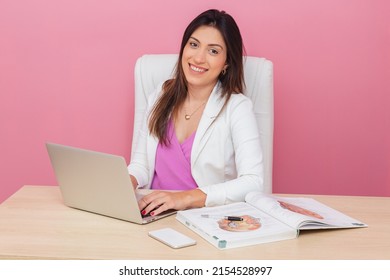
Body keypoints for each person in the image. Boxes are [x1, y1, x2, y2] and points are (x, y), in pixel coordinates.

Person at [128, 9, 263, 217]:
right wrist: (125, 182)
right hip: (152, 214)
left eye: (213, 51)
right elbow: (141, 165)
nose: (198, 58)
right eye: (193, 44)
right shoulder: (161, 93)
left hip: (205, 219)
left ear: (226, 63)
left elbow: (253, 181)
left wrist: (185, 198)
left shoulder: (237, 108)